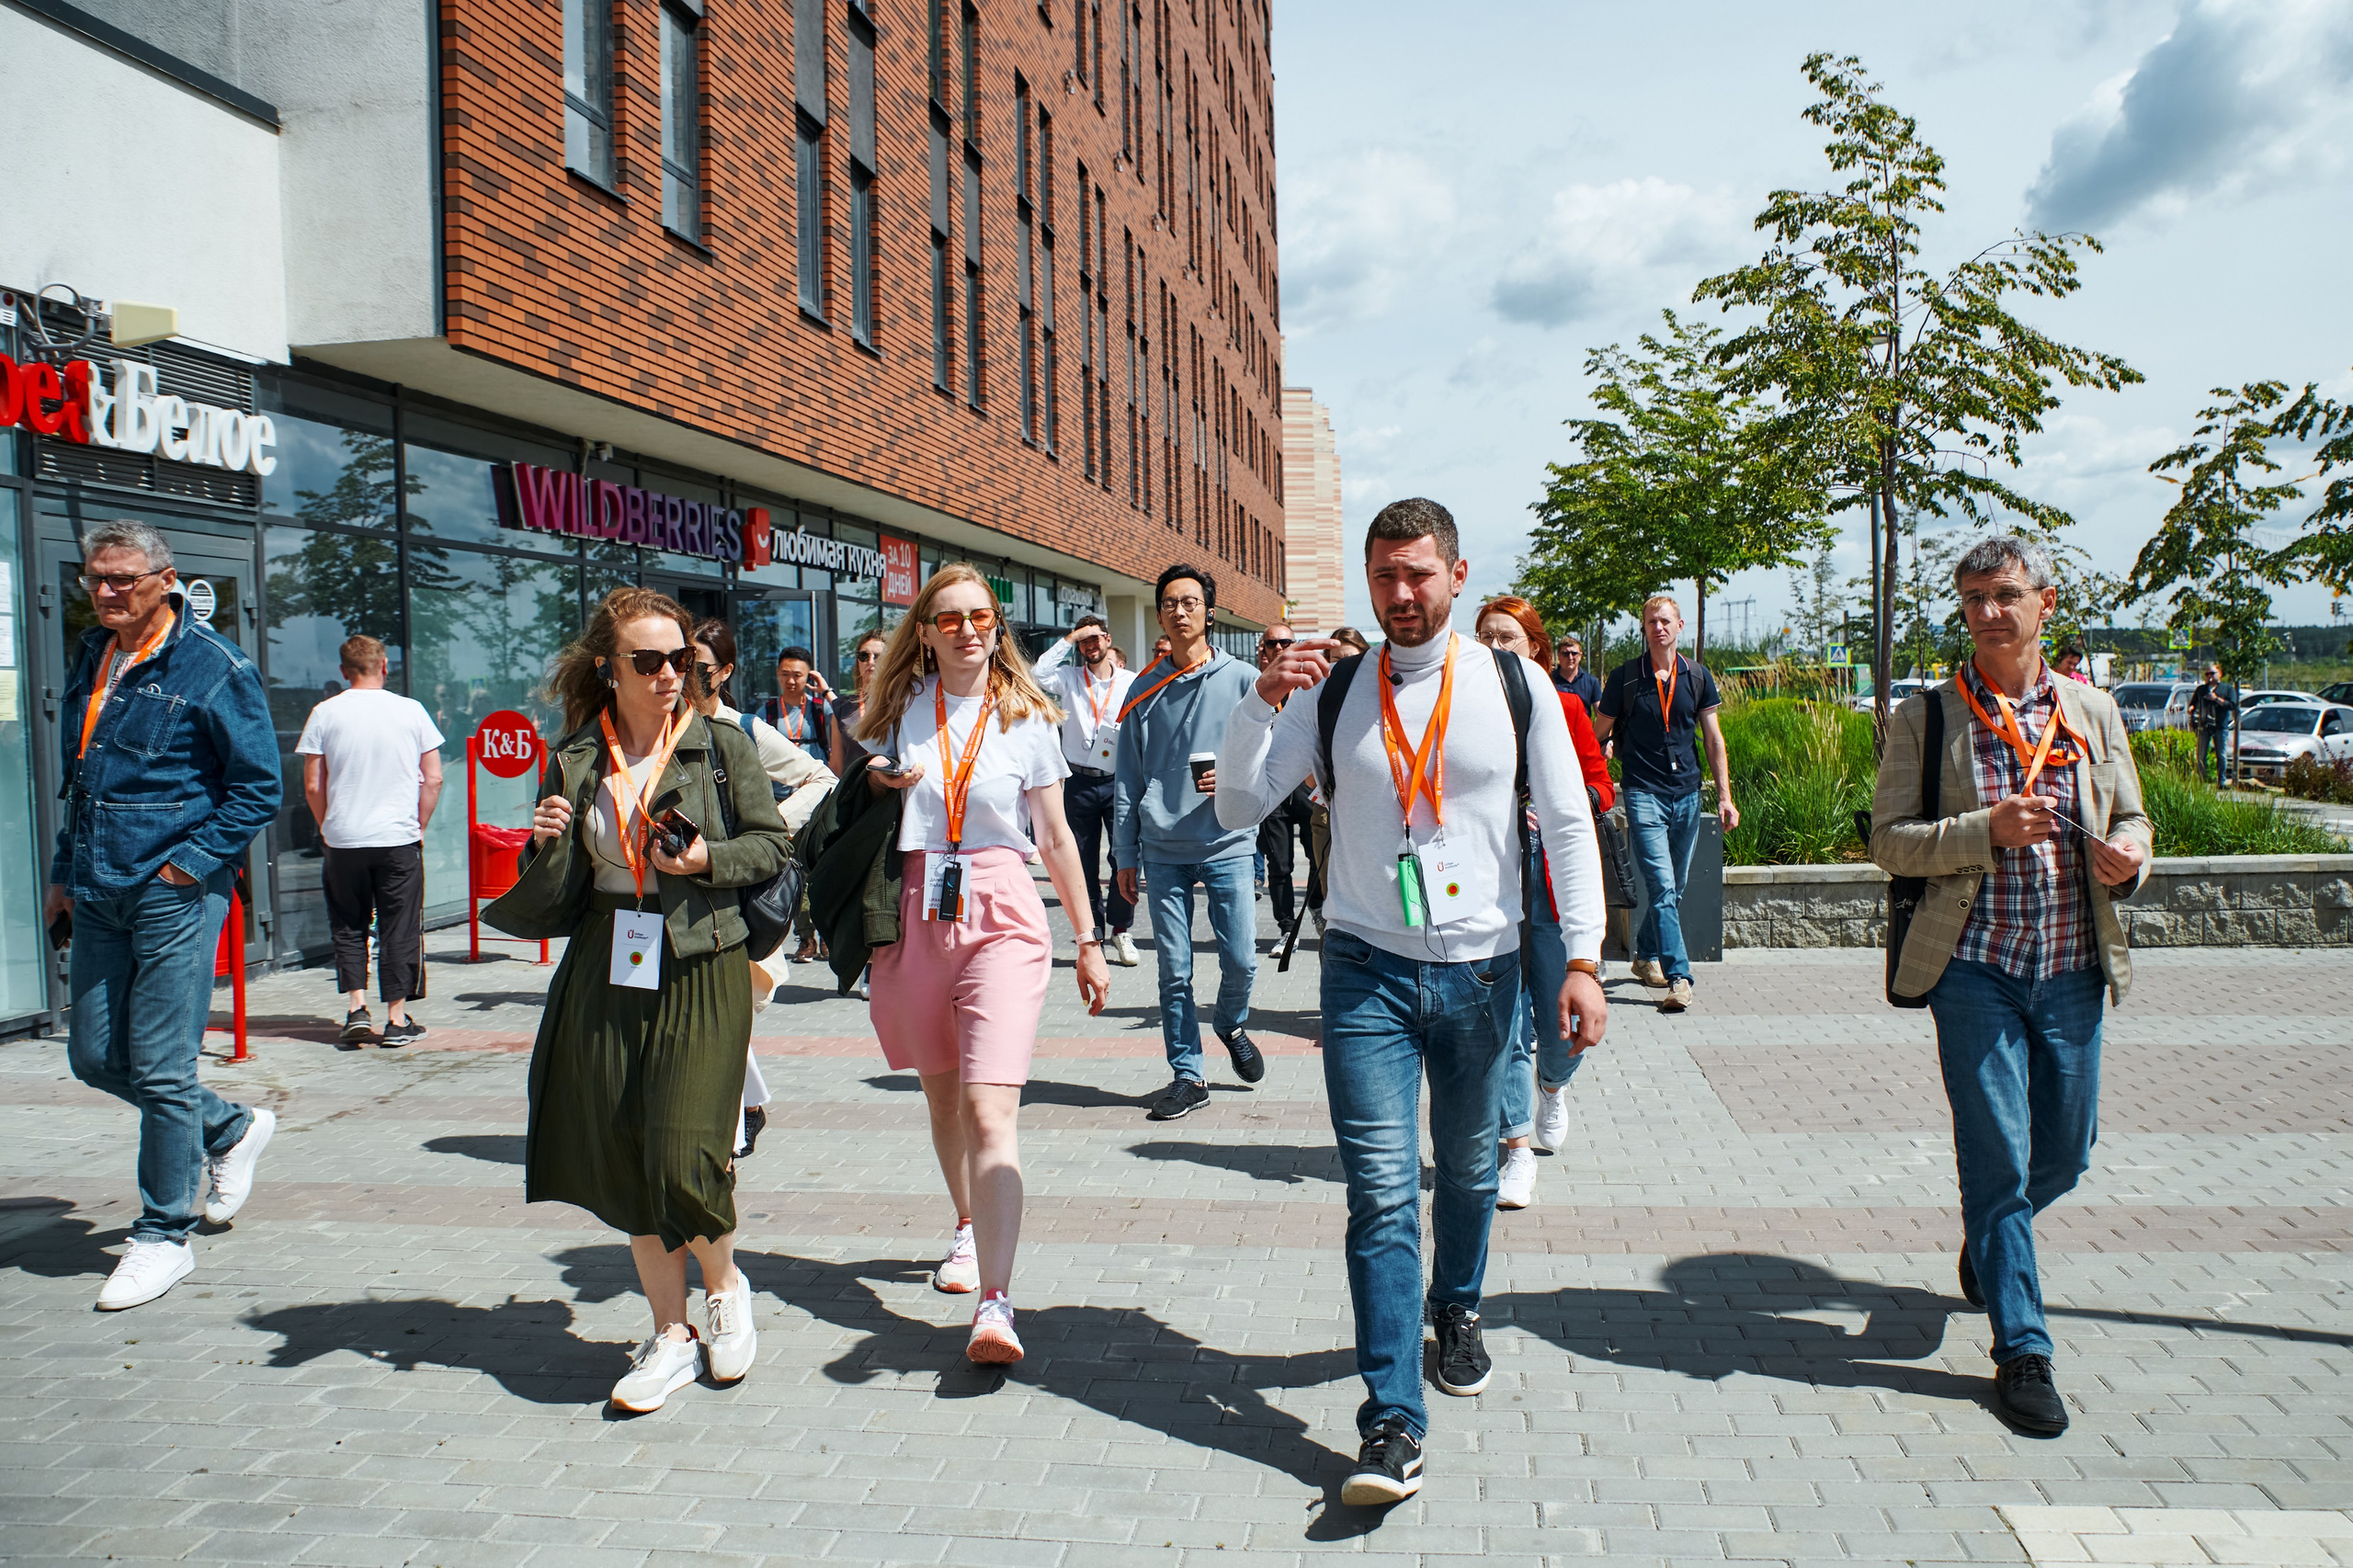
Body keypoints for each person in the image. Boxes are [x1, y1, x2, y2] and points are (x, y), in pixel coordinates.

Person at [1216, 498, 1608, 1506]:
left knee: (1470, 1169)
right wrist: (1257, 703)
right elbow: (1237, 804)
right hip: (1366, 971)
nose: (1400, 594)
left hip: (1484, 971)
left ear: (1457, 574)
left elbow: (1567, 824)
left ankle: (1458, 1304)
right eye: (1384, 575)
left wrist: (1585, 960)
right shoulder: (1339, 685)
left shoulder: (1512, 682)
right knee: (1383, 1193)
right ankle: (1391, 1416)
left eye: (1418, 575)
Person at [1869, 535, 2152, 1437]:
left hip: (2071, 964)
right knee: (1995, 1152)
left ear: (2044, 602)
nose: (1988, 611)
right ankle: (2022, 1346)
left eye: (2004, 594)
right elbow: (1889, 841)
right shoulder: (1932, 717)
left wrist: (2132, 857)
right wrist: (1983, 828)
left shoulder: (2094, 711)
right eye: (1972, 598)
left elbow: (2134, 815)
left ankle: (1991, 1245)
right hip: (1975, 968)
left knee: (2065, 1148)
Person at [486, 587, 794, 1414]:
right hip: (609, 958)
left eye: (682, 662)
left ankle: (725, 1286)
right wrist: (547, 842)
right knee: (624, 1146)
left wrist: (704, 864)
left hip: (703, 959)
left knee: (686, 1147)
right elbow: (558, 891)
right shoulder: (578, 758)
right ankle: (670, 1334)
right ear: (609, 669)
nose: (670, 676)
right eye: (650, 662)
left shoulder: (720, 746)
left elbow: (771, 843)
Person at [857, 564, 1111, 1363]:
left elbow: (1056, 836)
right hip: (916, 908)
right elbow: (853, 798)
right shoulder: (895, 711)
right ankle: (966, 1228)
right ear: (925, 633)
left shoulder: (1029, 714)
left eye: (980, 617)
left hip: (1002, 910)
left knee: (989, 1111)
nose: (967, 629)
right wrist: (876, 779)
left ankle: (996, 1305)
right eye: (949, 619)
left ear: (997, 627)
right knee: (942, 1100)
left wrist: (1089, 938)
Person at [46, 520, 283, 1311]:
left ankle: (161, 1236)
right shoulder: (95, 654)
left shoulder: (215, 668)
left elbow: (257, 787)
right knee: (92, 1056)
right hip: (98, 883)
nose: (105, 593)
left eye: (122, 580)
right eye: (94, 579)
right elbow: (82, 776)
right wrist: (61, 873)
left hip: (173, 887)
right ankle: (229, 1130)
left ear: (166, 580)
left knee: (159, 1064)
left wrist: (189, 863)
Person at [1112, 564, 1267, 1121]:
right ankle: (1187, 1073)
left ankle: (1230, 1021)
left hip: (1227, 838)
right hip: (1162, 844)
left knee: (1242, 960)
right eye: (1171, 603)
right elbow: (1127, 776)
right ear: (1160, 614)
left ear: (1209, 612)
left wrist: (1232, 775)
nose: (1181, 611)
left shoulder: (1244, 679)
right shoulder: (1143, 688)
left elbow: (1271, 756)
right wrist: (1123, 854)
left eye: (1191, 602)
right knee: (1173, 969)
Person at [1473, 597, 1614, 1210]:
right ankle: (1516, 1148)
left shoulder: (1567, 705)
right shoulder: (1463, 711)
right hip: (1486, 891)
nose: (1495, 650)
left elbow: (1601, 789)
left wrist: (1562, 799)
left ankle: (1553, 1088)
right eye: (1484, 639)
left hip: (1552, 885)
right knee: (1501, 1025)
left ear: (1535, 648)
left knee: (1556, 1032)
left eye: (1506, 638)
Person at [688, 615, 835, 1055]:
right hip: (678, 890)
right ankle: (744, 1110)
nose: (687, 677)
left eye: (699, 668)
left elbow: (822, 778)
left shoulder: (744, 728)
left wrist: (771, 827)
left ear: (725, 671)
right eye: (681, 664)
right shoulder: (660, 727)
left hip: (736, 890)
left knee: (729, 1016)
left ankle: (743, 1112)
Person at [1591, 596, 1740, 1014]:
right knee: (1661, 884)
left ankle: (1644, 954)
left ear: (1679, 626)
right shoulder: (1625, 679)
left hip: (1688, 793)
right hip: (1642, 793)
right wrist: (1598, 760)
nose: (1658, 627)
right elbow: (1596, 733)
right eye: (1651, 622)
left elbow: (1713, 739)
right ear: (1644, 628)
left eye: (1665, 621)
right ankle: (1679, 976)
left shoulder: (1697, 676)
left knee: (1676, 885)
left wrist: (1725, 797)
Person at [298, 635, 446, 1050]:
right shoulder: (411, 711)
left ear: (344, 672)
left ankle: (355, 1010)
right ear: (384, 666)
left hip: (344, 838)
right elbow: (433, 777)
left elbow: (312, 784)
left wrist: (328, 826)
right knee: (398, 926)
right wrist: (419, 824)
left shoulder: (324, 713)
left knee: (348, 924)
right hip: (397, 837)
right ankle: (397, 1020)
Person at [1033, 613, 1142, 967]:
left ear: (1108, 640)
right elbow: (1038, 674)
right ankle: (1092, 931)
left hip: (1117, 779)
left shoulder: (1130, 680)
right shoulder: (1068, 678)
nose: (1090, 646)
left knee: (1123, 856)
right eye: (1084, 641)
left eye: (1095, 639)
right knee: (1082, 861)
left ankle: (1121, 930)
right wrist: (1068, 639)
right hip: (1078, 780)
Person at [1252, 622, 1320, 938]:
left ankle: (1319, 911)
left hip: (1307, 787)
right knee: (1279, 865)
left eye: (1286, 642)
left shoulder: (1310, 685)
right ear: (1262, 651)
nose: (1279, 648)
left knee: (1317, 856)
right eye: (1272, 644)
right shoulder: (1254, 689)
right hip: (1272, 790)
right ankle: (1286, 929)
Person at [759, 646, 835, 773]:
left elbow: (846, 719)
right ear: (777, 673)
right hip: (780, 790)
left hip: (815, 785)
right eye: (785, 674)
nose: (790, 681)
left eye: (797, 675)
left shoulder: (820, 707)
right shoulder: (766, 712)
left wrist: (826, 691)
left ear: (809, 676)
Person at [830, 631, 890, 777]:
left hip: (890, 792)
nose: (870, 661)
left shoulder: (900, 702)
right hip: (852, 792)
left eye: (878, 656)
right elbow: (836, 765)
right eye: (864, 656)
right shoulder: (842, 706)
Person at [2190, 664, 2235, 786]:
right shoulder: (2201, 689)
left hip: (2220, 726)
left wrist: (2216, 699)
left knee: (2221, 755)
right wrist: (2192, 711)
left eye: (2212, 673)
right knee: (2201, 755)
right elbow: (2193, 704)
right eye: (2207, 674)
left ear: (2219, 673)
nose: (2210, 676)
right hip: (2204, 726)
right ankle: (2200, 780)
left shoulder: (2227, 688)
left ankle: (2221, 781)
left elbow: (2232, 705)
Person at [1552, 633, 1601, 713]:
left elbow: (1599, 715)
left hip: (1582, 725)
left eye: (1574, 653)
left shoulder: (1591, 681)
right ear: (1559, 656)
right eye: (1565, 654)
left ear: (1580, 656)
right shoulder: (1549, 680)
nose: (1570, 657)